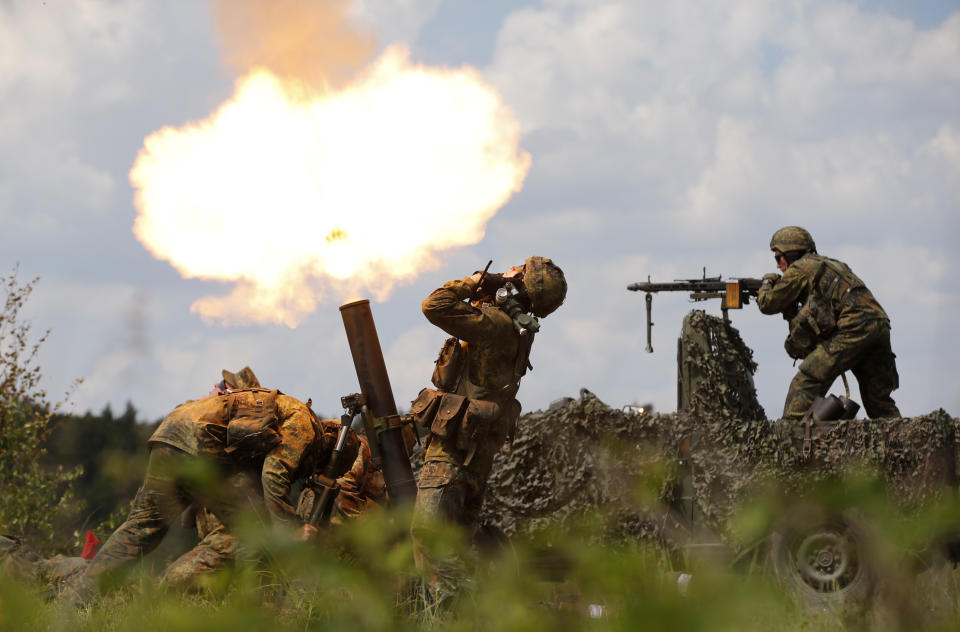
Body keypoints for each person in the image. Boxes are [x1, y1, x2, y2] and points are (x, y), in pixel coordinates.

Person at [61, 366, 358, 605]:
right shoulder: (305, 426)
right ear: (328, 450)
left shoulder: (285, 413)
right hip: (201, 450)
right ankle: (259, 611)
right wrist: (292, 528)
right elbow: (273, 475)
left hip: (170, 436)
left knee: (141, 528)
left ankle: (76, 598)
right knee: (252, 532)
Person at [409, 256, 567, 611]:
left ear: (523, 286)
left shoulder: (496, 325)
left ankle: (447, 618)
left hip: (451, 460)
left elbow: (433, 305)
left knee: (430, 542)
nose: (509, 269)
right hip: (474, 461)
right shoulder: (514, 328)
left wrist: (477, 281)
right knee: (458, 551)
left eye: (517, 271)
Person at [757, 227, 901, 421]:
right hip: (879, 325)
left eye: (778, 258)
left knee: (806, 380)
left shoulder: (800, 268)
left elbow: (768, 303)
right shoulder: (830, 264)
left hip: (853, 328)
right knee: (879, 401)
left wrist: (767, 283)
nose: (778, 266)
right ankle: (904, 447)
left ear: (792, 253)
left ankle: (789, 440)